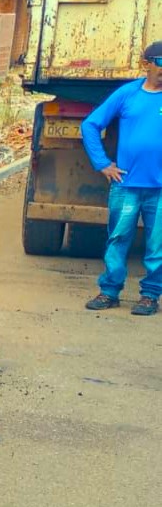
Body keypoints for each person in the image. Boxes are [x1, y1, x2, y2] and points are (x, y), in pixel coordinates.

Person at [82, 40, 162, 316]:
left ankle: (150, 296)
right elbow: (90, 124)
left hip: (160, 189)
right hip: (126, 185)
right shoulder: (128, 94)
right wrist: (103, 164)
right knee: (118, 239)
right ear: (147, 64)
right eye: (161, 62)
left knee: (157, 246)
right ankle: (109, 292)